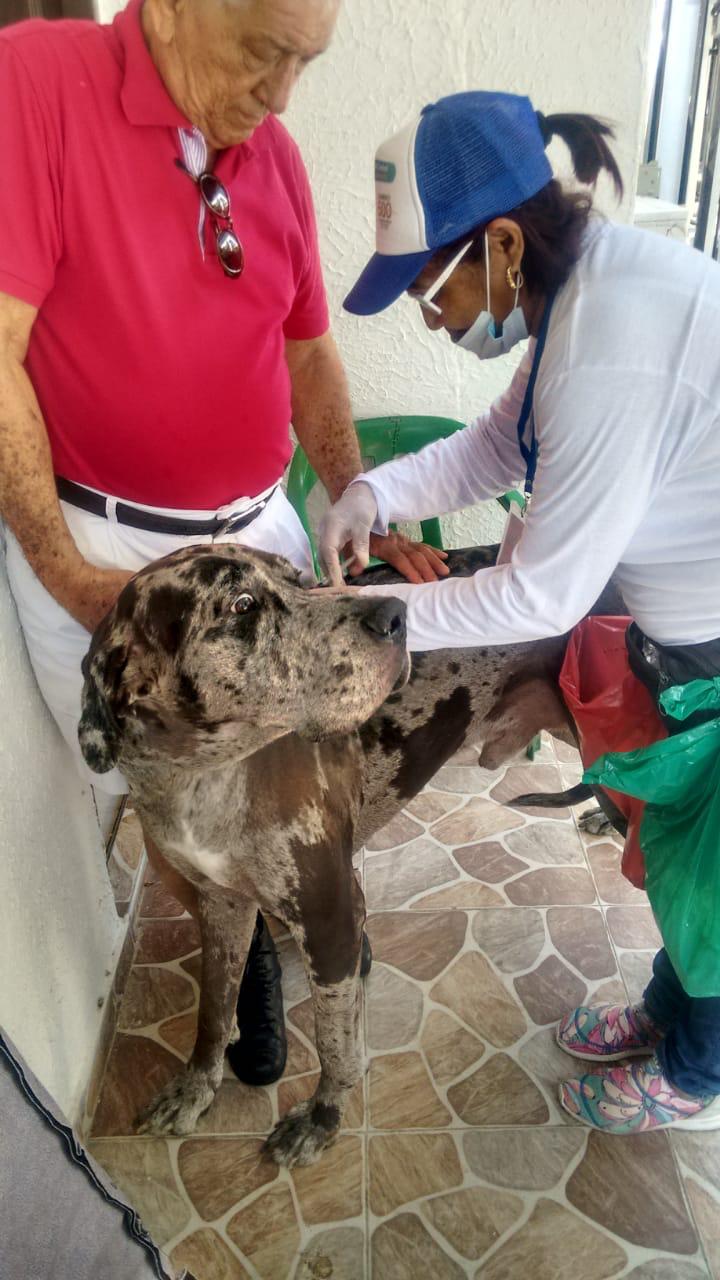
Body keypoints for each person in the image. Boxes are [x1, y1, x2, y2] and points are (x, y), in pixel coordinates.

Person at [0, 0, 444, 1092]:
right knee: (167, 780)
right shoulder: (36, 84)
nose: (285, 93)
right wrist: (64, 571)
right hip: (120, 559)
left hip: (263, 537)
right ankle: (228, 928)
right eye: (265, 51)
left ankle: (294, 891)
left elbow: (309, 358)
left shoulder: (275, 156)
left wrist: (354, 487)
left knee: (288, 754)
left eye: (308, 60)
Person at [319, 90, 720, 1134]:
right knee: (683, 863)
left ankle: (697, 1070)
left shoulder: (608, 344)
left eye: (429, 287)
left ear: (502, 244)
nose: (430, 313)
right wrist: (375, 492)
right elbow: (495, 447)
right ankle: (670, 1017)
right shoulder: (573, 305)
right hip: (689, 628)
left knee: (716, 881)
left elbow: (545, 591)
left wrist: (382, 617)